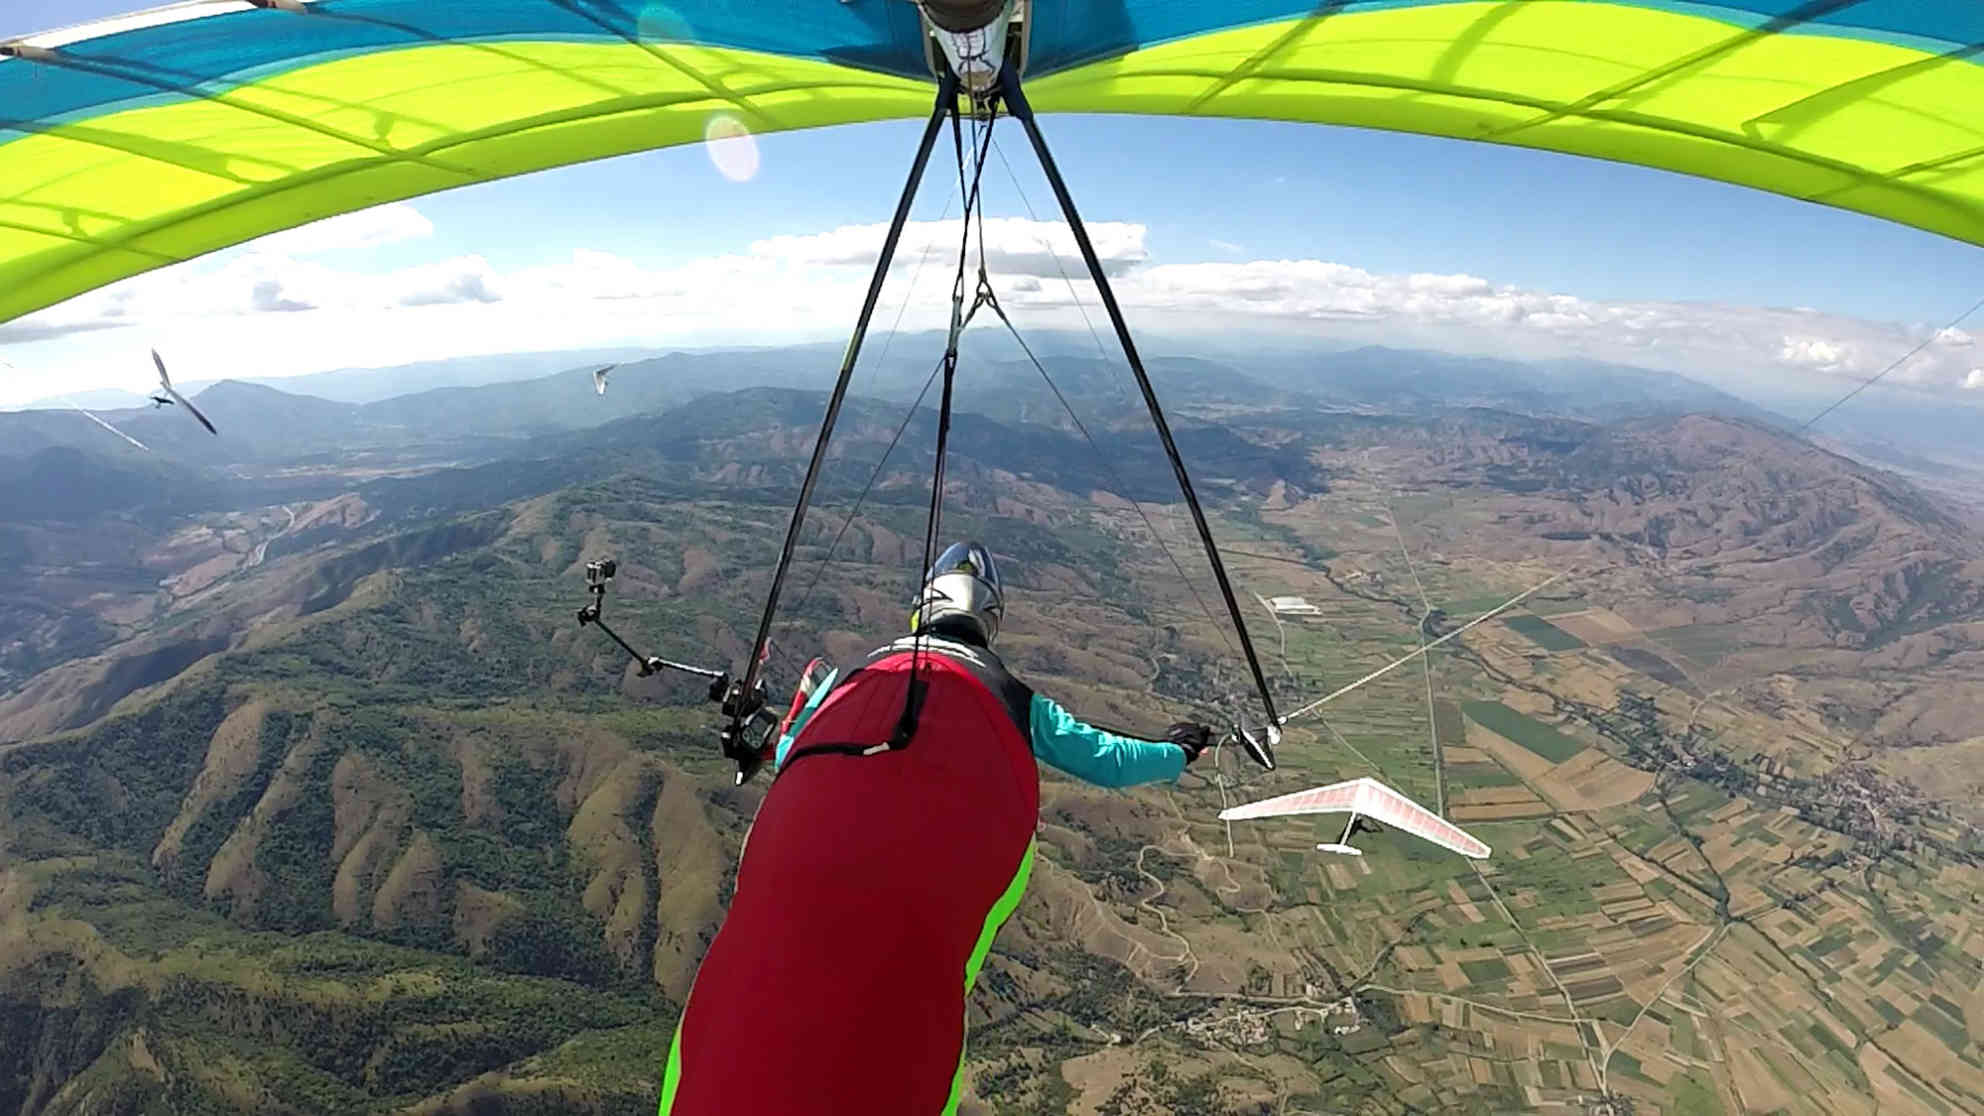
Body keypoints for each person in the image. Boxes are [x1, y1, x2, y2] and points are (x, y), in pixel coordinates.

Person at [659, 541, 1211, 1115]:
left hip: (789, 882)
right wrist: (1176, 751)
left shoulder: (849, 679)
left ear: (922, 608)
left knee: (734, 1021)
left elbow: (792, 752)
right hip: (924, 923)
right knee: (905, 1031)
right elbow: (1108, 759)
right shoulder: (1017, 702)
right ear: (988, 622)